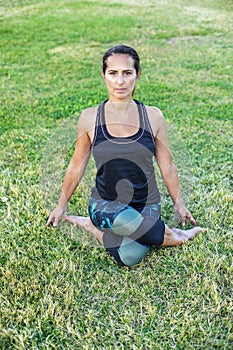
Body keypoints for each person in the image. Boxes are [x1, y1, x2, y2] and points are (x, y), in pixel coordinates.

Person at [46, 44, 206, 267]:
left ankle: (101, 228)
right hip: (105, 203)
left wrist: (178, 203)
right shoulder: (90, 118)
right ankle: (178, 236)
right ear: (104, 75)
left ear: (137, 75)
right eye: (113, 73)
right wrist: (62, 204)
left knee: (130, 257)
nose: (120, 81)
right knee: (131, 226)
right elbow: (76, 164)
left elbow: (167, 164)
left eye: (127, 73)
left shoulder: (154, 117)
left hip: (145, 203)